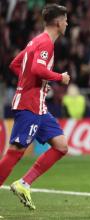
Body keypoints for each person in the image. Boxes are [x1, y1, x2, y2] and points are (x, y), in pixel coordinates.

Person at [0, 4, 70, 210]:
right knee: (15, 152)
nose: (67, 23)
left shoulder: (35, 41)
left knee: (61, 146)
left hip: (38, 106)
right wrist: (60, 77)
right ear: (58, 22)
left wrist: (27, 83)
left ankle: (24, 183)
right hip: (29, 105)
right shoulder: (46, 43)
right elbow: (37, 68)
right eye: (65, 20)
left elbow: (15, 64)